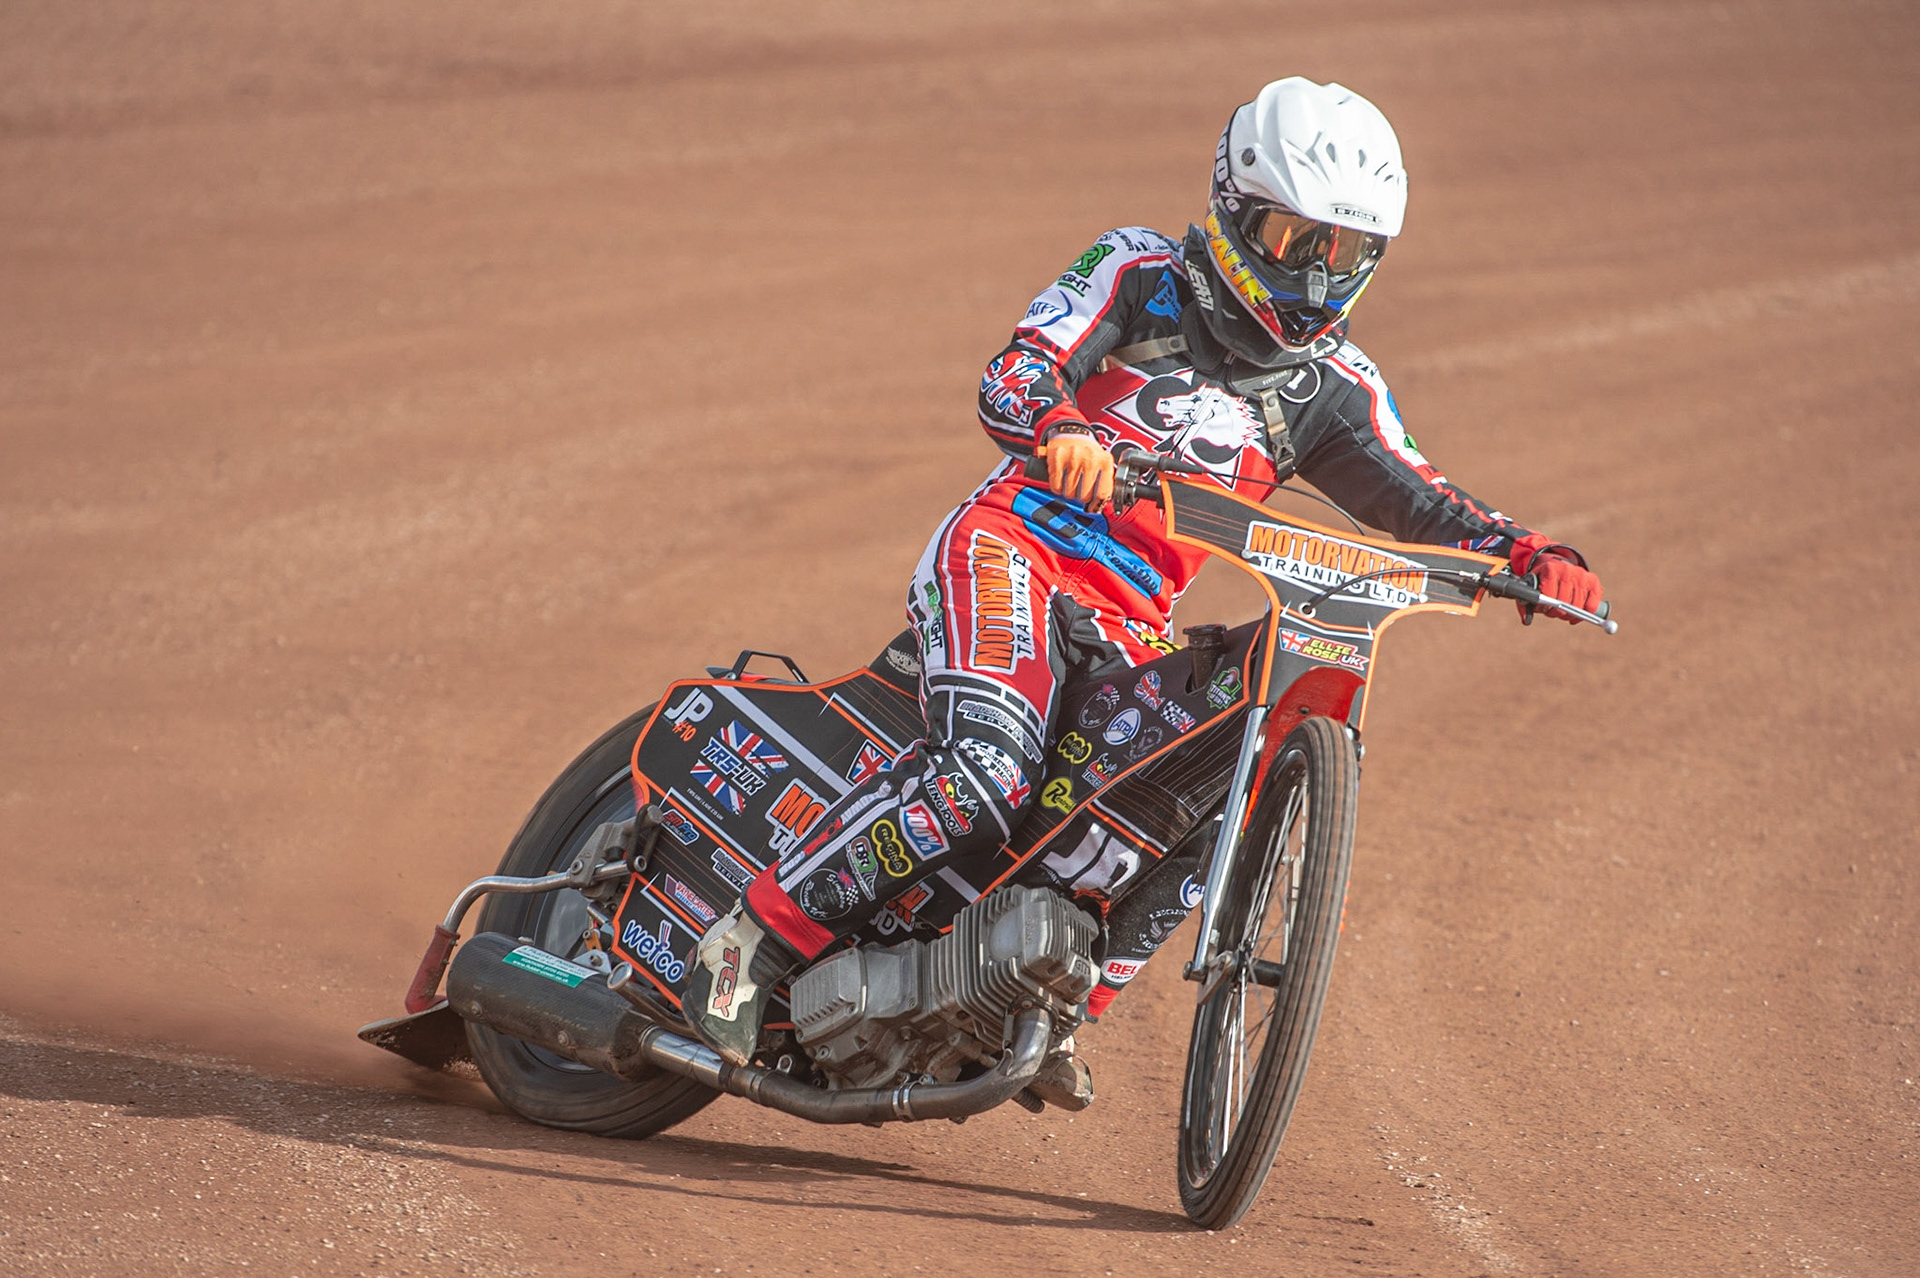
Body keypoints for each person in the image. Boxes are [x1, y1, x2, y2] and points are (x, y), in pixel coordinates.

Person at [682, 77, 1604, 1067]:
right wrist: (1063, 426)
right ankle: (749, 940)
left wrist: (1526, 557)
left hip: (1128, 625)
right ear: (1236, 211)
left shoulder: (1334, 389)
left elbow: (1422, 498)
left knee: (1225, 774)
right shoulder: (1137, 269)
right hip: (1015, 552)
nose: (1316, 283)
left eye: (1349, 258)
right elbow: (1017, 368)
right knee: (987, 775)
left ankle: (1050, 995)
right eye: (1300, 244)